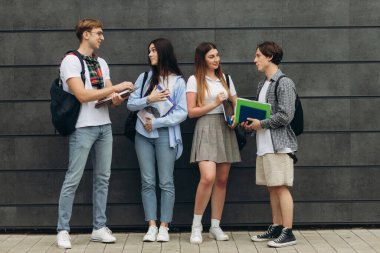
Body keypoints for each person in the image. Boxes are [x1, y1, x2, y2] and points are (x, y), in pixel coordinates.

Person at [56, 18, 134, 249]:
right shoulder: (70, 61)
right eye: (98, 33)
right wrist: (115, 87)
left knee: (103, 178)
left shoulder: (101, 62)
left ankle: (99, 227)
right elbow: (82, 95)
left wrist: (117, 98)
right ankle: (62, 229)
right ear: (85, 35)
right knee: (73, 177)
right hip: (82, 127)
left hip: (104, 126)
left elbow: (105, 96)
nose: (102, 37)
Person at [127, 38, 188, 242]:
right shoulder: (144, 77)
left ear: (163, 52)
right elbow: (131, 104)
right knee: (147, 181)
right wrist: (149, 99)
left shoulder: (178, 81)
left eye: (153, 50)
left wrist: (158, 122)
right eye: (149, 51)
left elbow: (182, 113)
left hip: (165, 135)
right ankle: (151, 225)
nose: (150, 54)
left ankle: (164, 226)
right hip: (142, 134)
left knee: (166, 181)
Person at [242, 41, 298, 248]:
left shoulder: (284, 82)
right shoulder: (262, 84)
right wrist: (250, 123)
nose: (254, 60)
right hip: (264, 145)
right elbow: (263, 114)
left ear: (269, 57)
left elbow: (286, 115)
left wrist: (261, 123)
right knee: (272, 188)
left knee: (281, 187)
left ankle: (288, 232)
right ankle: (276, 226)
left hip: (279, 145)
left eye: (258, 55)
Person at [186, 42, 241, 244]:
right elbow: (191, 112)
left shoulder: (226, 78)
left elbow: (236, 103)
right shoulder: (194, 80)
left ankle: (215, 225)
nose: (216, 59)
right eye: (211, 56)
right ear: (202, 59)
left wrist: (236, 116)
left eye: (217, 55)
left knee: (222, 180)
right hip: (206, 127)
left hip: (225, 128)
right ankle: (196, 226)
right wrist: (215, 103)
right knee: (208, 177)